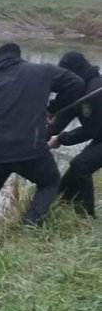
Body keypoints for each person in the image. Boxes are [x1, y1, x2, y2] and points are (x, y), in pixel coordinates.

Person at [0, 43, 83, 241]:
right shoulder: (42, 72)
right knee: (50, 182)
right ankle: (30, 225)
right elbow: (75, 83)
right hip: (32, 152)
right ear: (18, 56)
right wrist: (54, 108)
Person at [48, 51, 102, 218]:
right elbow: (63, 117)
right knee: (74, 172)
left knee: (81, 166)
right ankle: (60, 204)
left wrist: (61, 139)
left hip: (99, 134)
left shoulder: (94, 91)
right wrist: (40, 136)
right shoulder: (78, 89)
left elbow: (90, 130)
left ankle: (87, 218)